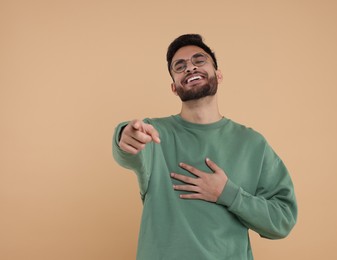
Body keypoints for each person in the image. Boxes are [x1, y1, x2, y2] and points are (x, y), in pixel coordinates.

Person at [112, 34, 297, 260]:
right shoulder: (154, 133)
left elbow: (282, 220)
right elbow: (129, 150)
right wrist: (125, 135)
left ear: (218, 74)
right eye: (179, 66)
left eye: (199, 61)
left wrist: (228, 194)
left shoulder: (252, 144)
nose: (189, 67)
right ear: (174, 87)